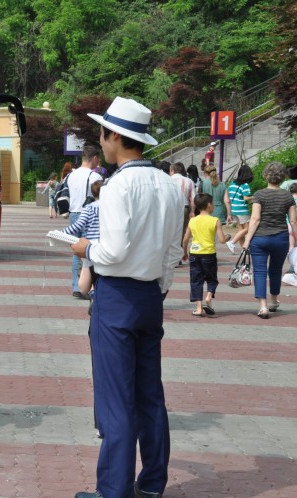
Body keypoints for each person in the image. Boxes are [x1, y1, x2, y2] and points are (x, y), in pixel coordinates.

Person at [71, 96, 183, 498]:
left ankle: (113, 490)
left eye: (102, 133)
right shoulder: (170, 185)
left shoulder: (118, 186)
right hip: (151, 295)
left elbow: (112, 251)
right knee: (150, 394)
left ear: (114, 136)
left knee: (116, 398)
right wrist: (159, 285)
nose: (100, 141)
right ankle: (152, 482)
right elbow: (174, 252)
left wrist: (85, 249)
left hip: (117, 294)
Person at [242, 162, 297, 318]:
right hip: (281, 238)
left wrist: (247, 240)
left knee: (259, 271)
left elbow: (255, 219)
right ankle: (274, 300)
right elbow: (293, 221)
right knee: (275, 270)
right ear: (282, 177)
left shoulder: (259, 194)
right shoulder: (288, 196)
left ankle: (263, 307)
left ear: (266, 175)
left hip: (260, 238)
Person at [182, 193, 231, 317]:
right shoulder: (215, 220)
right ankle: (209, 296)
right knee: (211, 278)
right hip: (209, 254)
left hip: (194, 253)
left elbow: (185, 239)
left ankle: (198, 308)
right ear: (209, 205)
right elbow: (221, 240)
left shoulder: (192, 220)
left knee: (196, 280)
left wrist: (184, 253)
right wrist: (228, 237)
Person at [66, 146, 103, 299]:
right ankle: (92, 286)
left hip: (73, 213)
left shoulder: (71, 175)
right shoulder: (94, 177)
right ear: (94, 158)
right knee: (90, 251)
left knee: (77, 251)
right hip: (89, 215)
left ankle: (77, 285)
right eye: (98, 159)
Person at [60, 180, 102, 296]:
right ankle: (97, 292)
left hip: (90, 245)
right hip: (105, 246)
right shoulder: (111, 207)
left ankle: (92, 293)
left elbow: (78, 226)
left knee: (84, 285)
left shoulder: (88, 208)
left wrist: (61, 233)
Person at [226, 164, 254, 254]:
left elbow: (229, 196)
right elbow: (246, 198)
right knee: (247, 229)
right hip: (242, 210)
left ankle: (244, 249)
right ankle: (232, 242)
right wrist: (254, 197)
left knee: (241, 230)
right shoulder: (245, 185)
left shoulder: (232, 183)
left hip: (234, 210)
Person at [169, 162, 196, 249]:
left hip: (170, 208)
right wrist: (192, 211)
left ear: (172, 170)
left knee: (170, 231)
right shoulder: (189, 181)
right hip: (184, 208)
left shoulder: (167, 180)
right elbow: (193, 199)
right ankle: (179, 253)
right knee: (181, 232)